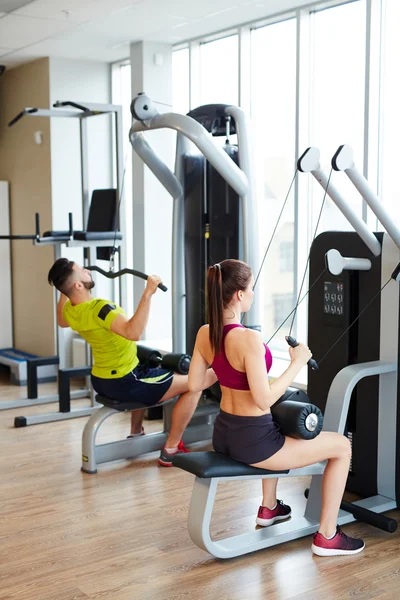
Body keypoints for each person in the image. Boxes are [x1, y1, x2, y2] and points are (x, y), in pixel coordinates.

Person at [188, 258, 364, 557]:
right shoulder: (248, 339)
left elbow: (194, 385)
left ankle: (269, 508)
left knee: (278, 423)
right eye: (252, 288)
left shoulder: (207, 332)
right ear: (240, 295)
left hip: (224, 434)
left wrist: (226, 365)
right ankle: (328, 536)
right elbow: (264, 399)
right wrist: (296, 363)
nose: (253, 293)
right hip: (254, 442)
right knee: (340, 447)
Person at [48, 258, 217, 467]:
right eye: (81, 270)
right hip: (125, 381)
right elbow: (133, 332)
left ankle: (136, 432)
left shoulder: (71, 310)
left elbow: (61, 320)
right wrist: (148, 293)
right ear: (78, 285)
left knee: (147, 365)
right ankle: (171, 449)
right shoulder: (100, 309)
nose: (87, 270)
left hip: (102, 378)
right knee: (196, 384)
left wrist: (63, 290)